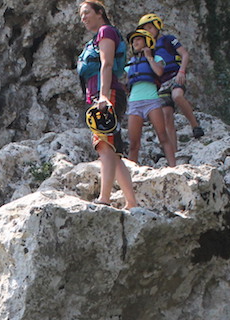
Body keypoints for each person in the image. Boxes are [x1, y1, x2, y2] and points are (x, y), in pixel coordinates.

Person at [77, 1, 138, 209]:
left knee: (103, 145)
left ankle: (104, 198)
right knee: (112, 149)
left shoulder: (106, 32)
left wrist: (103, 97)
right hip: (103, 94)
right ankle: (131, 202)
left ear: (100, 12)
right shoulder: (97, 37)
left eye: (86, 12)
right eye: (80, 15)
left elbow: (107, 63)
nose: (83, 18)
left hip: (107, 94)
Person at [136, 12, 204, 151]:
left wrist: (182, 71)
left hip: (175, 75)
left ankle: (195, 125)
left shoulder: (168, 39)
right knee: (167, 116)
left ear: (157, 26)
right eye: (145, 29)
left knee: (177, 96)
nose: (148, 31)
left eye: (150, 27)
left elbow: (184, 54)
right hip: (162, 82)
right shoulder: (149, 49)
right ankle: (172, 150)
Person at [124, 28, 176, 167]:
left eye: (138, 39)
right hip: (134, 102)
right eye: (133, 40)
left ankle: (173, 166)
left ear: (147, 41)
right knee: (134, 143)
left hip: (152, 101)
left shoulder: (157, 59)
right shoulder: (130, 64)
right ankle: (130, 172)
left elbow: (159, 71)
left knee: (162, 136)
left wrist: (149, 57)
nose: (135, 42)